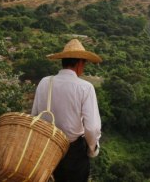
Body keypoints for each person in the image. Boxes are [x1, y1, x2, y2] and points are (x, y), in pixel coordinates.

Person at [31, 38, 102, 182]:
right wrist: (92, 149)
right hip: (72, 152)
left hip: (46, 148)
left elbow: (34, 116)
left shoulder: (45, 82)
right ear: (80, 63)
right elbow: (92, 128)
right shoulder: (85, 87)